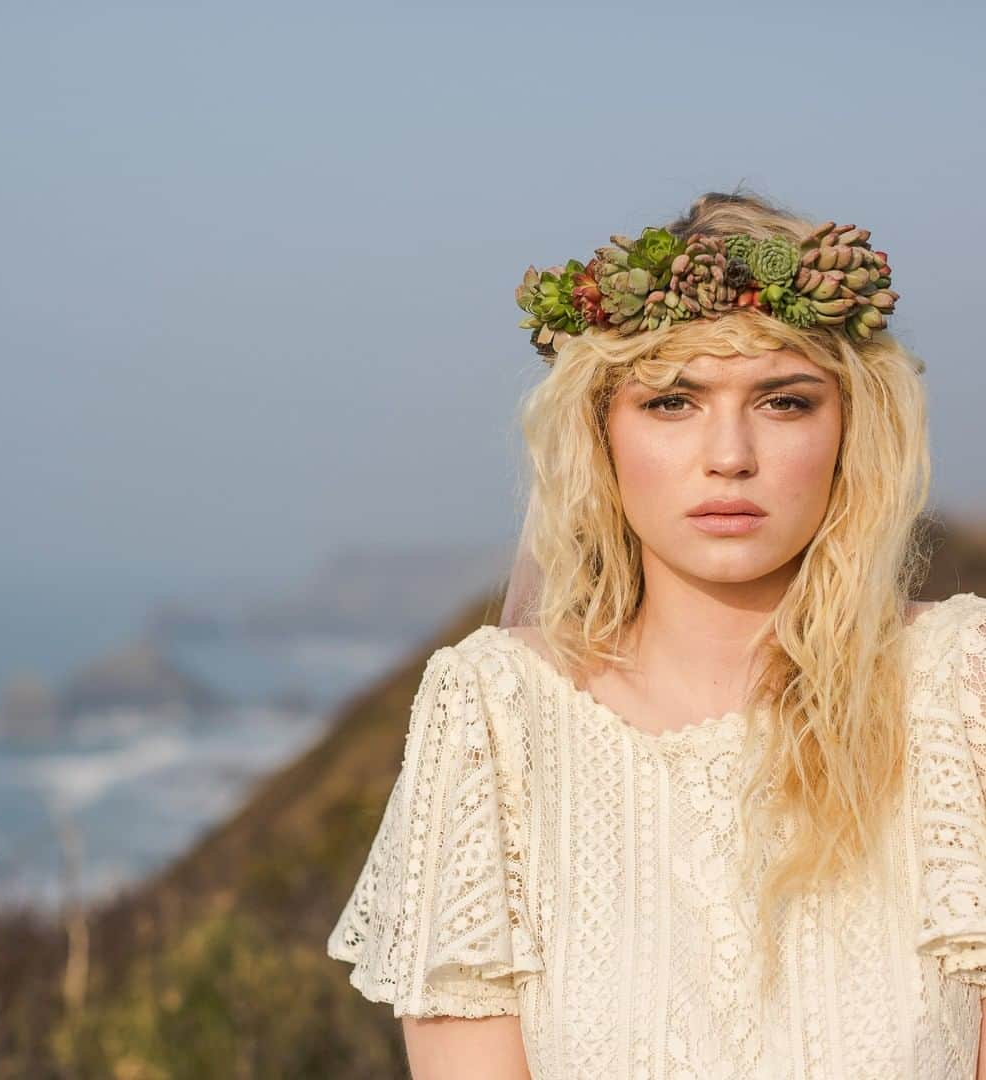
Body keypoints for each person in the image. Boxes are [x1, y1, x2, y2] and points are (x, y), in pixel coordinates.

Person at [325, 188, 986, 1078]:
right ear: (601, 434)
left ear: (852, 429)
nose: (729, 455)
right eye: (672, 402)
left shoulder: (961, 688)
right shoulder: (495, 714)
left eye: (784, 402)